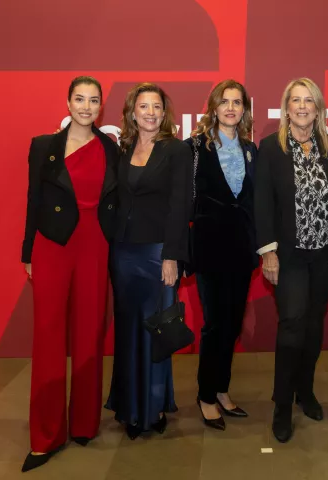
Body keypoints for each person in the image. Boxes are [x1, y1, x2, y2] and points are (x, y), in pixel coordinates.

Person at [21, 76, 119, 472]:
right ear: (68, 102)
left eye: (93, 100)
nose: (86, 107)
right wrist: (27, 252)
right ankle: (45, 436)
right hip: (52, 244)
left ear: (100, 107)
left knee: (89, 333)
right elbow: (33, 199)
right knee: (47, 336)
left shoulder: (111, 148)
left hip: (96, 244)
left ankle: (83, 424)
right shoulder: (43, 146)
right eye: (79, 99)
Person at [254, 77, 328, 443]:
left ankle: (304, 391)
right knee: (292, 322)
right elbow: (262, 202)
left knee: (313, 324)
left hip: (324, 254)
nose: (302, 106)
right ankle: (282, 404)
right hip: (289, 255)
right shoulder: (271, 147)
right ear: (286, 108)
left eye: (308, 100)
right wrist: (268, 251)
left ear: (318, 108)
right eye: (295, 100)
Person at [104, 83, 193, 439]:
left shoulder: (177, 150)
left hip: (158, 255)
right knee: (127, 332)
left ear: (164, 113)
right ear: (132, 112)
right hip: (124, 253)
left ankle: (153, 407)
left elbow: (180, 206)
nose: (151, 113)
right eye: (144, 106)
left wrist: (172, 256)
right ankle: (129, 407)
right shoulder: (124, 149)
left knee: (156, 332)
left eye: (157, 106)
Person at [185, 80, 258, 430]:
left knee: (232, 324)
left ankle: (222, 389)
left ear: (244, 109)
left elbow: (252, 201)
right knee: (214, 324)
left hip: (241, 250)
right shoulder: (194, 147)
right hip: (209, 249)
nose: (231, 108)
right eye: (224, 101)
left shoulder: (250, 149)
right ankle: (205, 395)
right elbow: (183, 198)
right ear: (213, 107)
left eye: (237, 102)